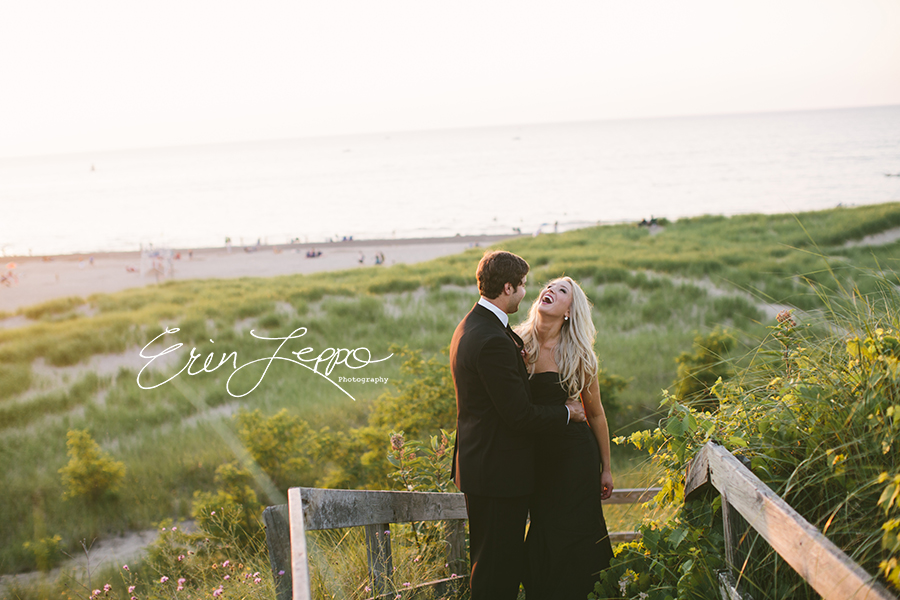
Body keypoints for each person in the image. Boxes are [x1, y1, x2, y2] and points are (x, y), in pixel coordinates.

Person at [450, 251, 587, 600]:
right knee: (497, 573)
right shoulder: (492, 338)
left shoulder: (478, 325)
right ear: (508, 287)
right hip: (497, 473)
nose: (526, 292)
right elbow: (520, 415)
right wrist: (568, 413)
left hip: (486, 466)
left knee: (497, 564)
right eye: (523, 285)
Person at [515, 276, 614, 599]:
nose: (550, 291)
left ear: (570, 311)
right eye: (549, 286)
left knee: (578, 532)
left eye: (561, 291)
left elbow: (596, 413)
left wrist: (607, 468)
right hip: (535, 457)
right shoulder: (516, 343)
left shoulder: (580, 355)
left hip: (575, 458)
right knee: (543, 529)